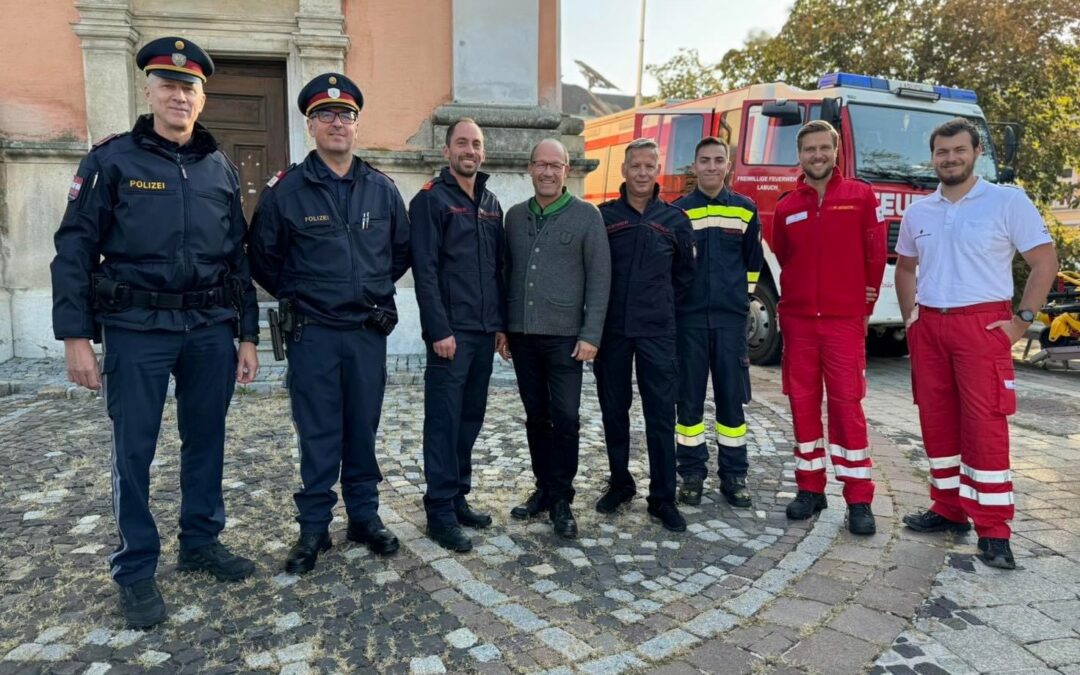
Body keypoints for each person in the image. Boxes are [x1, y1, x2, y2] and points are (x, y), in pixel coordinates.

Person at [50, 36, 260, 628]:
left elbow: (236, 258)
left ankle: (200, 542)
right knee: (133, 449)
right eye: (168, 84)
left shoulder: (218, 166)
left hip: (208, 328)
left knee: (206, 440)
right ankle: (136, 568)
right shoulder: (111, 160)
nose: (178, 95)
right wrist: (75, 336)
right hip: (137, 327)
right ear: (148, 90)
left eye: (189, 87)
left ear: (202, 97)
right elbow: (75, 248)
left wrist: (248, 334)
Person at [248, 73, 410, 573]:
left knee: (362, 428)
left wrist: (366, 293)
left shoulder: (381, 190)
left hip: (366, 333)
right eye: (326, 115)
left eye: (346, 116)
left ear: (356, 126)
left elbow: (400, 253)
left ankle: (364, 517)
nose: (337, 123)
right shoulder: (287, 191)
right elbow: (263, 259)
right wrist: (308, 296)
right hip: (313, 334)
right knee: (317, 432)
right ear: (310, 125)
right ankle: (314, 529)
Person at [896, 117, 1058, 569]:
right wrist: (911, 318)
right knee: (937, 420)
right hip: (930, 327)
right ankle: (948, 508)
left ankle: (994, 529)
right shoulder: (919, 211)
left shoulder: (1006, 201)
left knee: (985, 424)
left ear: (976, 152)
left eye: (959, 150)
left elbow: (1044, 262)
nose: (950, 158)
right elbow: (905, 267)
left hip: (982, 326)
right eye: (942, 152)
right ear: (933, 158)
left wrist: (1022, 321)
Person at [772, 120, 886, 536]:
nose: (817, 155)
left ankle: (859, 498)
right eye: (809, 150)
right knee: (802, 405)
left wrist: (862, 304)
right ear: (799, 155)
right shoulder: (787, 206)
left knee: (846, 408)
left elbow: (875, 254)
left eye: (824, 148)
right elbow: (785, 256)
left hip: (843, 322)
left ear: (835, 151)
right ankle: (810, 488)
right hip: (799, 322)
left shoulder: (860, 196)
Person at [501, 139, 611, 539]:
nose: (547, 172)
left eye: (556, 165)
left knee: (565, 417)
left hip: (567, 339)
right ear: (529, 169)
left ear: (567, 170)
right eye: (540, 165)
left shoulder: (587, 216)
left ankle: (563, 495)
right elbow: (506, 273)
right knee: (536, 417)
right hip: (524, 335)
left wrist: (591, 334)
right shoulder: (514, 217)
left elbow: (600, 281)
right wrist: (503, 327)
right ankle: (544, 489)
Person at [411, 119, 506, 552]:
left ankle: (458, 496)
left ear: (483, 153)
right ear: (447, 150)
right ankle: (439, 511)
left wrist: (501, 325)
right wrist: (439, 329)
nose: (470, 150)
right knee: (444, 422)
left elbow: (498, 271)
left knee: (470, 419)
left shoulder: (491, 202)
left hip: (485, 332)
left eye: (477, 144)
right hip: (451, 335)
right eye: (462, 143)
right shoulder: (430, 201)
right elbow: (425, 271)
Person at [594, 138, 696, 532]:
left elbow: (684, 279)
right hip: (612, 334)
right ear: (624, 170)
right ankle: (620, 482)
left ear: (658, 170)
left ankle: (662, 497)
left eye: (648, 166)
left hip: (658, 334)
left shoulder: (675, 221)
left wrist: (661, 308)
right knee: (614, 411)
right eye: (634, 166)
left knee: (660, 415)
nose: (641, 173)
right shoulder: (603, 217)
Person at [673, 137, 763, 508]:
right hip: (689, 322)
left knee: (731, 403)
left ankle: (734, 476)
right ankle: (692, 475)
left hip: (729, 324)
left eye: (718, 160)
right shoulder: (677, 212)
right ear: (693, 167)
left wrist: (737, 300)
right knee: (688, 403)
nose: (711, 166)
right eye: (704, 160)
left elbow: (753, 262)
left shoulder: (745, 210)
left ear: (728, 165)